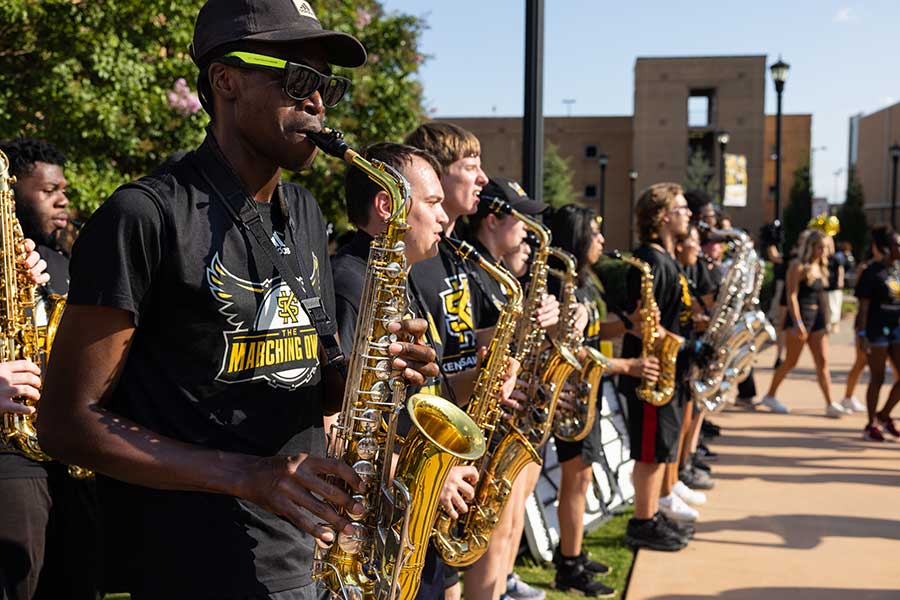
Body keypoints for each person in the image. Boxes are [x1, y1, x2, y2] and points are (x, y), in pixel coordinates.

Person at [36, 3, 441, 599]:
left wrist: (368, 371)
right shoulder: (144, 215)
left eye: (327, 86)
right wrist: (250, 476)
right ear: (226, 79)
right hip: (192, 567)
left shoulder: (304, 212)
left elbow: (305, 374)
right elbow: (65, 423)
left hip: (309, 552)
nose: (319, 103)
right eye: (299, 79)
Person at [330, 141, 489, 600]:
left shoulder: (395, 277)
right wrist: (422, 476)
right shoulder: (351, 284)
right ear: (389, 205)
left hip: (402, 518)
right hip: (373, 526)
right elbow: (336, 422)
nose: (444, 218)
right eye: (435, 203)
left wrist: (484, 375)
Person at [0, 138, 103, 600]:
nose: (64, 199)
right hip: (12, 451)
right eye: (48, 190)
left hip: (67, 452)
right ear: (11, 194)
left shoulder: (57, 262)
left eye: (65, 189)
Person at [547, 205, 659, 596]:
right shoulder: (558, 282)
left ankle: (572, 555)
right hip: (571, 396)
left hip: (586, 394)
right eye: (594, 233)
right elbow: (578, 351)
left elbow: (595, 331)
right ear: (576, 236)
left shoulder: (584, 281)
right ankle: (569, 566)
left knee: (582, 478)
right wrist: (628, 365)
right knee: (575, 481)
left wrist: (629, 323)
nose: (601, 240)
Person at [621, 182, 693, 552]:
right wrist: (679, 343)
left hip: (666, 366)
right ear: (664, 216)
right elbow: (635, 318)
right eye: (682, 208)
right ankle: (642, 521)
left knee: (661, 448)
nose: (689, 214)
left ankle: (651, 513)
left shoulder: (666, 257)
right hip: (650, 368)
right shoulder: (648, 260)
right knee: (649, 452)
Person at [761, 230, 849, 417]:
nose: (824, 251)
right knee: (791, 361)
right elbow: (791, 295)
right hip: (801, 317)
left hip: (818, 318)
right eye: (820, 247)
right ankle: (770, 395)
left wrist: (829, 320)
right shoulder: (797, 266)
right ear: (810, 247)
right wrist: (797, 321)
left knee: (822, 361)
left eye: (825, 247)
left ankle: (830, 403)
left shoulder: (822, 266)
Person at [854, 225, 900, 441]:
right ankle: (871, 423)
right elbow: (863, 306)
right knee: (878, 377)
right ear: (886, 248)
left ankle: (884, 415)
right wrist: (862, 334)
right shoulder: (872, 272)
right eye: (896, 245)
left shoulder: (897, 270)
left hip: (896, 328)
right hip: (876, 328)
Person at [841, 247, 880, 414]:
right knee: (861, 362)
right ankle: (847, 397)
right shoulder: (867, 269)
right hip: (866, 323)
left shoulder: (894, 268)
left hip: (887, 324)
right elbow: (861, 297)